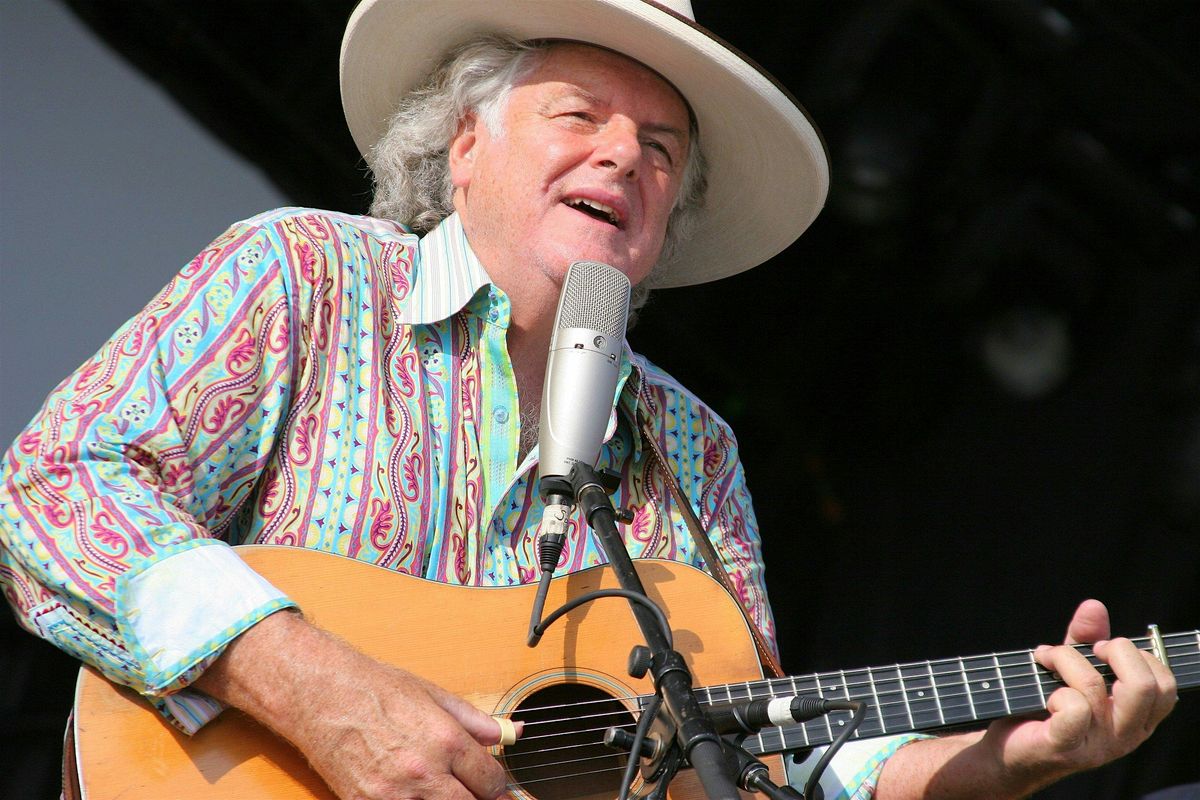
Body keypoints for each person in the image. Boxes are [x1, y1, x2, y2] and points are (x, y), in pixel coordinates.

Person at [0, 1, 1177, 798]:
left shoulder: (692, 448)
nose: (625, 157)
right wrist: (316, 685)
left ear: (665, 224)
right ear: (463, 146)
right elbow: (57, 488)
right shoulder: (303, 274)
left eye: (662, 149)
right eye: (581, 116)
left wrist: (1000, 760)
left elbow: (746, 754)